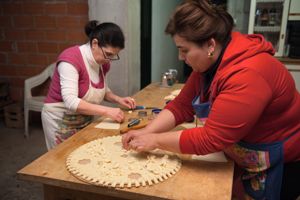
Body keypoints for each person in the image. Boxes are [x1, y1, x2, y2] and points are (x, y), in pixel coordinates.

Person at [122, 1, 300, 199]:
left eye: (184, 50)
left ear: (210, 45)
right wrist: (146, 131)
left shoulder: (248, 73)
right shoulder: (210, 62)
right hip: (245, 152)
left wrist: (154, 140)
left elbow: (211, 138)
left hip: (281, 162)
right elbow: (182, 105)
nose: (180, 57)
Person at [42, 20, 136, 150]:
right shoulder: (71, 59)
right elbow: (70, 101)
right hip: (60, 120)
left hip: (84, 117)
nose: (109, 60)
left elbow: (101, 90)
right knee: (62, 159)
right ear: (95, 43)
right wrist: (107, 111)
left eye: (114, 56)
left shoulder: (103, 63)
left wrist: (118, 99)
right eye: (108, 54)